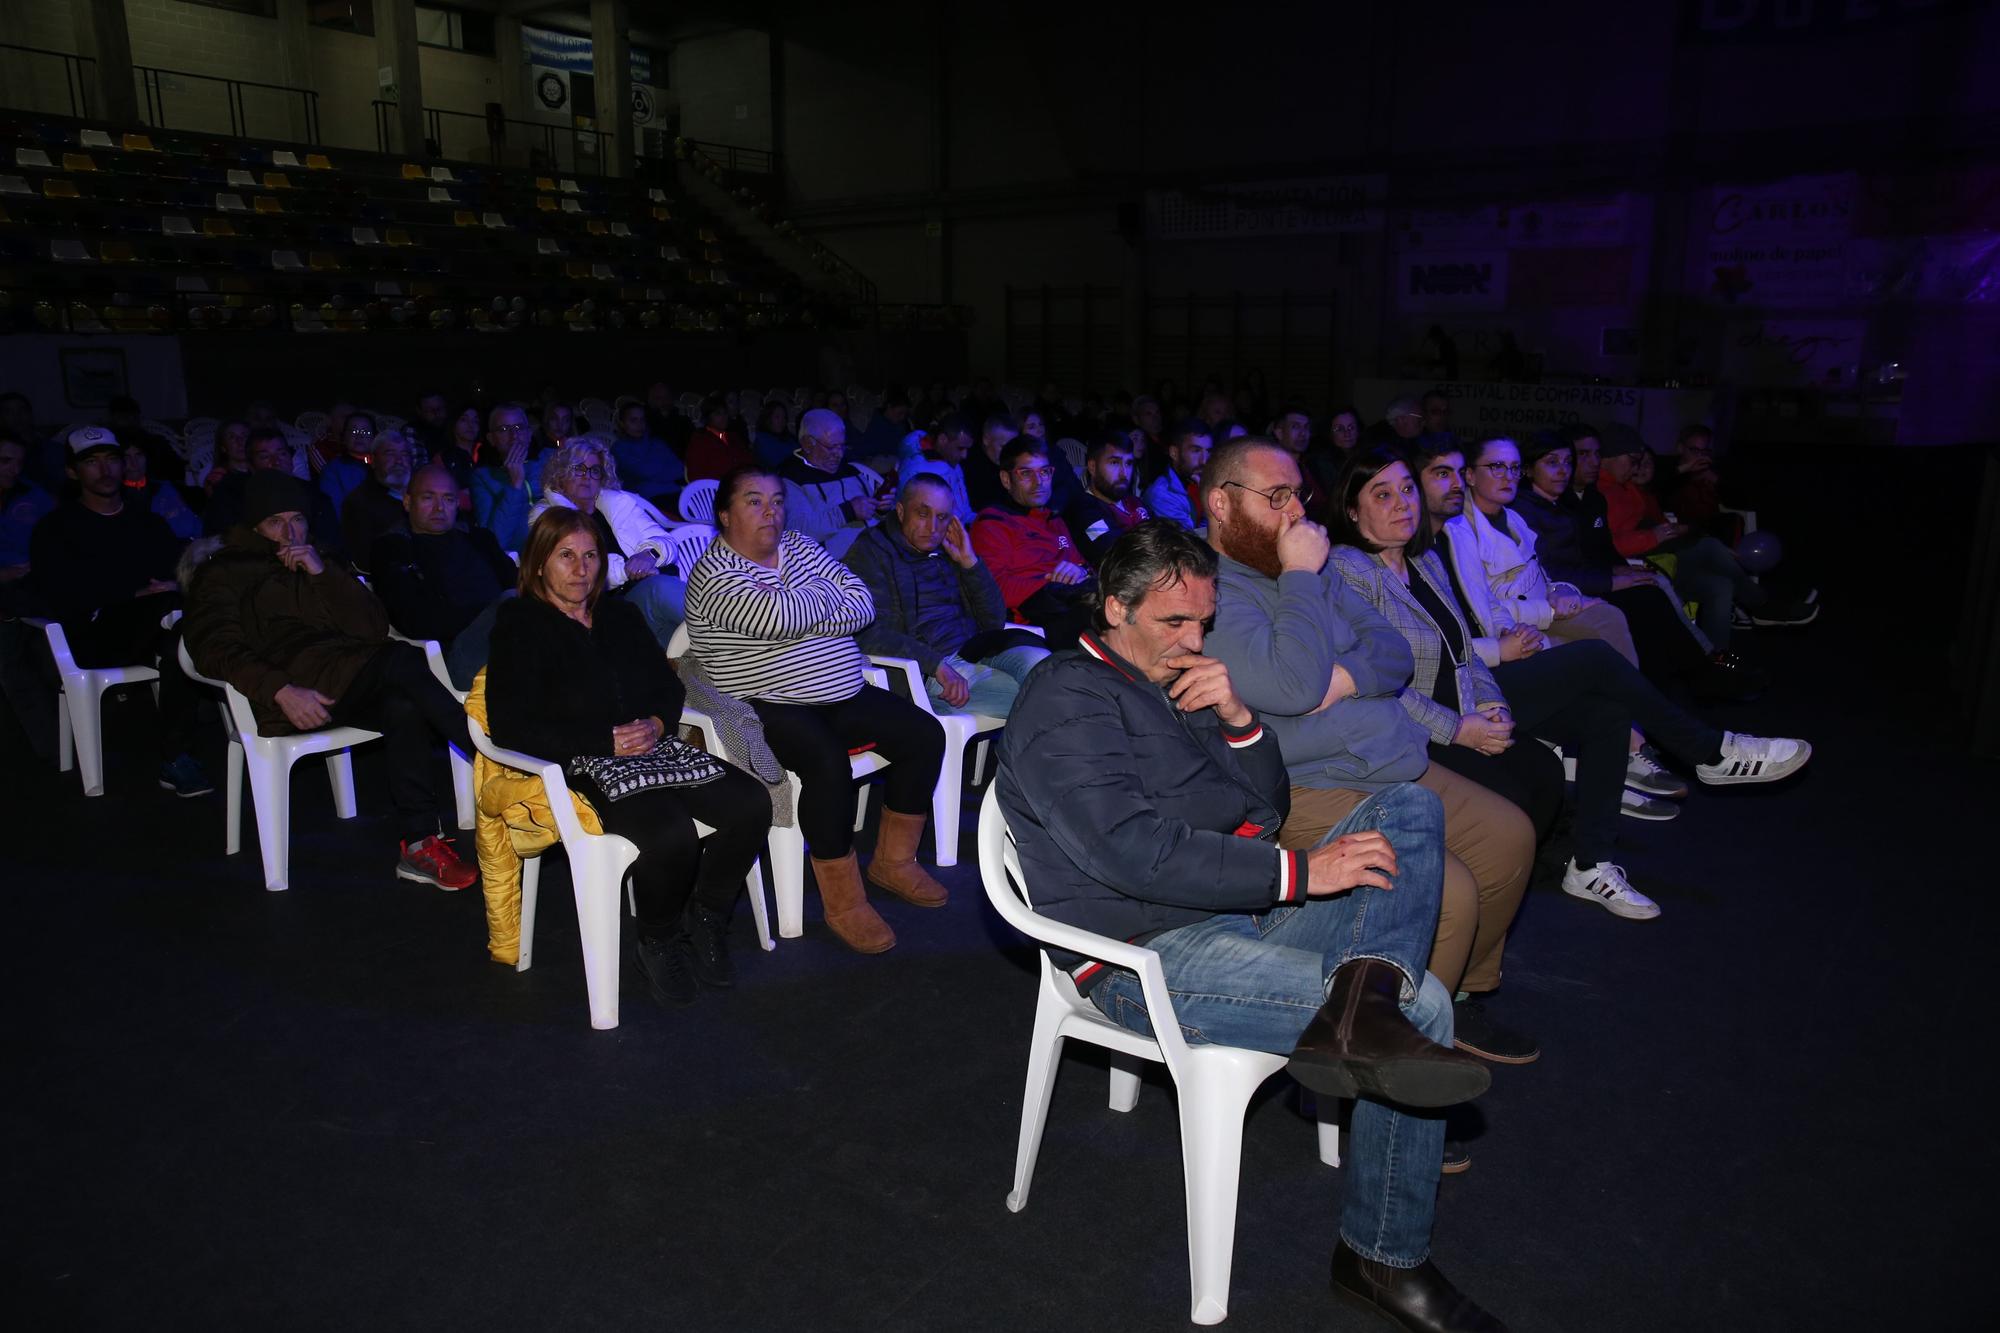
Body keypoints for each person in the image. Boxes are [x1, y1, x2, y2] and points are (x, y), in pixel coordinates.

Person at [996, 520, 1503, 1332]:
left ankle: (1355, 1014)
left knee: (1408, 807)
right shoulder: (1065, 696)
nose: (1195, 639)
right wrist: (1302, 874)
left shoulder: (1174, 679)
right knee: (1426, 1007)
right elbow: (1135, 854)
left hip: (1237, 915)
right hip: (1144, 955)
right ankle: (1380, 1258)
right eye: (1175, 622)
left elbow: (1265, 808)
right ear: (1114, 608)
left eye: (1203, 619)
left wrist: (1237, 717)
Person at [1329, 444, 1813, 921]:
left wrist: (1492, 703)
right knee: (1595, 658)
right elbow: (1374, 683)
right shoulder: (1348, 569)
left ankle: (1590, 863)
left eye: (1408, 489)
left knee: (1606, 712)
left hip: (1466, 700)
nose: (1403, 504)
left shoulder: (1424, 560)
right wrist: (1460, 728)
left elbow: (1461, 651)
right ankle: (1710, 751)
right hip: (1419, 727)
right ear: (1352, 510)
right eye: (1382, 495)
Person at [1197, 437, 1539, 1068]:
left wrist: (1348, 677)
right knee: (1449, 892)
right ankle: (1398, 1061)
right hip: (1309, 783)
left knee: (1510, 836)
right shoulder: (1212, 589)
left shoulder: (1306, 565)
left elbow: (1394, 649)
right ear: (1221, 503)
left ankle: (1455, 998)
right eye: (1275, 497)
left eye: (1297, 494)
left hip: (1386, 756)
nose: (1295, 512)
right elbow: (1292, 687)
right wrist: (1300, 577)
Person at [486, 508, 772, 1005]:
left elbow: (666, 684)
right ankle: (657, 939)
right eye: (566, 556)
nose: (582, 569)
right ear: (537, 566)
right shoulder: (519, 625)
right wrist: (604, 740)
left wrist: (659, 723)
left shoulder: (620, 614)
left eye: (592, 555)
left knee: (751, 803)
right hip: (581, 760)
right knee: (670, 834)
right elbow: (512, 725)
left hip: (653, 746)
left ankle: (706, 917)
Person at [684, 466, 949, 954]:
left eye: (777, 500)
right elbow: (774, 618)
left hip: (840, 691)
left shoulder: (801, 547)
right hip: (767, 703)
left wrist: (798, 606)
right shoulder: (713, 575)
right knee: (826, 763)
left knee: (925, 735)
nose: (771, 511)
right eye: (754, 501)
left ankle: (893, 862)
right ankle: (844, 902)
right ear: (724, 514)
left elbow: (862, 603)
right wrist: (820, 605)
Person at [184, 471, 477, 889]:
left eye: (297, 519)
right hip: (290, 694)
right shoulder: (226, 573)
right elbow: (211, 646)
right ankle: (492, 757)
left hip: (347, 678)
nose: (290, 531)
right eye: (275, 522)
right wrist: (280, 690)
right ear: (254, 527)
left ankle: (419, 844)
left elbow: (374, 627)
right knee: (401, 660)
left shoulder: (321, 560)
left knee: (404, 700)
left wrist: (323, 574)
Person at [1515, 426, 1762, 700]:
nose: (1564, 469)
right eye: (1553, 462)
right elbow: (1551, 569)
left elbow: (1598, 550)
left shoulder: (1565, 502)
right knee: (1647, 599)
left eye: (1566, 462)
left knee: (1655, 590)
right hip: (1562, 592)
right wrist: (1612, 579)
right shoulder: (1531, 509)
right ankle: (1684, 683)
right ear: (1527, 469)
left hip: (1583, 581)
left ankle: (1695, 676)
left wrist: (1621, 570)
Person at [27, 426, 209, 795]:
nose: (105, 470)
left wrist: (173, 587)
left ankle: (175, 758)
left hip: (156, 627)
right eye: (92, 463)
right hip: (93, 635)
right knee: (174, 618)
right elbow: (60, 593)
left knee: (178, 636)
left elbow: (174, 571)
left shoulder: (147, 521)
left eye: (111, 460)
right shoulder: (55, 528)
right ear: (73, 472)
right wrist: (135, 593)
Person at [843, 472, 1049, 718]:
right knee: (1042, 698)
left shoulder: (947, 548)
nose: (933, 528)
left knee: (1048, 671)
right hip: (926, 673)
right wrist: (936, 665)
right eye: (922, 513)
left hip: (978, 650)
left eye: (942, 518)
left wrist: (970, 563)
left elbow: (993, 621)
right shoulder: (871, 551)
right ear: (900, 511)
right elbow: (869, 632)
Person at [1433, 434, 1639, 666]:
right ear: (1470, 475)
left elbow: (1543, 576)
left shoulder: (1514, 518)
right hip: (1515, 623)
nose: (1508, 477)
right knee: (1593, 642)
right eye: (1497, 467)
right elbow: (1482, 608)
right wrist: (1550, 610)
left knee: (1609, 614)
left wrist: (1563, 591)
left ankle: (1635, 695)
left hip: (1539, 609)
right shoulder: (1458, 529)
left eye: (1514, 468)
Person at [1597, 430, 1812, 649]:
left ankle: (1716, 663)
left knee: (1720, 585)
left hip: (1664, 562)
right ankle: (1761, 606)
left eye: (1641, 462)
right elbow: (1607, 543)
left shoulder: (1629, 489)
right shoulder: (1601, 492)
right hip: (1638, 567)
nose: (1636, 468)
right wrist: (1655, 535)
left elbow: (1660, 496)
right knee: (1709, 547)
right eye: (1633, 461)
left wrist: (1676, 530)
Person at [529, 438, 685, 648]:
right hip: (605, 605)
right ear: (561, 473)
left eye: (595, 470)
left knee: (679, 644)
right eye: (579, 469)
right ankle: (728, 633)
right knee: (660, 589)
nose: (587, 476)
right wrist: (630, 569)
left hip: (644, 596)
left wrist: (649, 555)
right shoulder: (546, 515)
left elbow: (666, 541)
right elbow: (575, 571)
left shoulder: (617, 503)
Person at [370, 462, 516, 685]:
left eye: (448, 499)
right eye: (428, 498)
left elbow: (517, 582)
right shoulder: (395, 549)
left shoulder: (479, 539)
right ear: (408, 502)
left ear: (457, 503)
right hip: (456, 652)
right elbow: (412, 619)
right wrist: (490, 615)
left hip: (511, 635)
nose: (440, 508)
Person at [971, 437, 1094, 647]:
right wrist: (1050, 582)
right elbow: (993, 590)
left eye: (1044, 472)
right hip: (1032, 624)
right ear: (1006, 479)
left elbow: (1084, 566)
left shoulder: (1053, 519)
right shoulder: (993, 523)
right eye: (1026, 473)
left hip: (1072, 602)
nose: (1039, 482)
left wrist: (1080, 572)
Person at [205, 427, 344, 558]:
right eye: (265, 457)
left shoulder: (314, 495)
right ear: (250, 466)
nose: (276, 462)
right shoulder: (232, 496)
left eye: (282, 454)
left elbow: (332, 546)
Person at [779, 407, 882, 558]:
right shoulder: (791, 479)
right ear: (808, 444)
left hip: (878, 552)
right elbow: (798, 533)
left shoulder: (850, 470)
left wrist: (881, 508)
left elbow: (874, 518)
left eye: (842, 446)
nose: (839, 454)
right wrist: (847, 512)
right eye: (832, 447)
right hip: (842, 567)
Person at [1059, 431, 1151, 567]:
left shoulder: (1134, 502)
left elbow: (1163, 535)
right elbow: (1115, 552)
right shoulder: (1083, 511)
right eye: (1114, 463)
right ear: (1092, 467)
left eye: (1129, 463)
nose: (1124, 473)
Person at [470, 402, 545, 554]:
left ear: (529, 433)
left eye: (519, 428)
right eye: (504, 429)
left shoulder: (549, 462)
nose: (514, 436)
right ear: (491, 439)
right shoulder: (483, 478)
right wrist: (515, 485)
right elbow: (494, 541)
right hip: (519, 563)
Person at [340, 429, 413, 570]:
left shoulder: (423, 493)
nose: (399, 461)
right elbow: (364, 560)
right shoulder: (358, 503)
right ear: (372, 460)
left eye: (404, 454)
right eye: (390, 454)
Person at [117, 434, 200, 540]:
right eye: (126, 457)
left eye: (138, 455)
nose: (134, 463)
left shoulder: (164, 487)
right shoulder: (115, 496)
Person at [610, 397, 685, 510]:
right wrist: (663, 466)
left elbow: (679, 469)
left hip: (675, 493)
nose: (639, 424)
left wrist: (654, 470)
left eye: (642, 419)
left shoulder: (657, 443)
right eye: (633, 420)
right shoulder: (619, 448)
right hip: (646, 501)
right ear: (622, 423)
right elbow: (644, 472)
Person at [900, 412, 976, 523]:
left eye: (967, 449)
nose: (965, 455)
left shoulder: (953, 463)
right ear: (942, 440)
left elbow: (964, 513)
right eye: (960, 448)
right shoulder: (916, 470)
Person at [1141, 419, 1213, 529]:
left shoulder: (1201, 481)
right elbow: (1190, 541)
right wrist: (1207, 501)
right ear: (1174, 453)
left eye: (1208, 451)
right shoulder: (1162, 495)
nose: (1204, 461)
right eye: (1196, 451)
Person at [316, 410, 376, 515]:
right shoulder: (333, 470)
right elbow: (334, 510)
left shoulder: (382, 466)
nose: (359, 436)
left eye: (365, 432)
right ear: (344, 437)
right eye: (353, 431)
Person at [686, 394, 755, 483]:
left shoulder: (733, 438)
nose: (723, 417)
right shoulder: (700, 441)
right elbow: (695, 475)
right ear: (708, 417)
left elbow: (749, 462)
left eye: (725, 413)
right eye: (717, 413)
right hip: (715, 490)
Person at [751, 399, 795, 467]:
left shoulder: (789, 438)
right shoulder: (762, 440)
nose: (782, 421)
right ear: (767, 418)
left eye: (784, 417)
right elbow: (777, 461)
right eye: (777, 417)